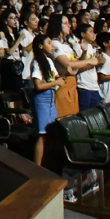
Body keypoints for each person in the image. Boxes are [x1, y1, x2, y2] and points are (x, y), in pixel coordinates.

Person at [30, 35, 63, 166]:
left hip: (50, 99)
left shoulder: (48, 61)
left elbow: (55, 78)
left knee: (50, 133)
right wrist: (56, 82)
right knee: (42, 134)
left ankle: (48, 164)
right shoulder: (37, 63)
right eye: (49, 43)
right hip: (42, 100)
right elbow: (38, 85)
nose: (52, 46)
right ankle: (36, 167)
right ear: (40, 46)